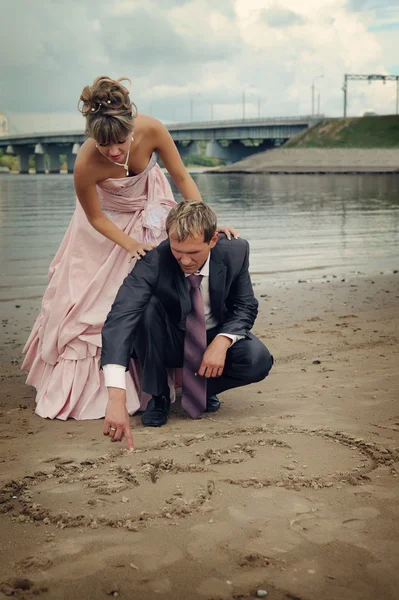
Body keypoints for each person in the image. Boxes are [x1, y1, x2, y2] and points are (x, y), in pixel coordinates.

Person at [22, 76, 236, 420]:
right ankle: (123, 387)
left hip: (154, 208)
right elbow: (95, 217)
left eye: (120, 142)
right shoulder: (85, 164)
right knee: (98, 304)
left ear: (131, 128)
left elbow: (181, 176)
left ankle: (182, 380)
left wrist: (203, 220)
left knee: (169, 294)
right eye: (105, 146)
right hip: (108, 226)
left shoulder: (153, 130)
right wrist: (131, 244)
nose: (115, 152)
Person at [101, 201, 273, 449]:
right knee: (145, 311)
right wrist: (116, 397)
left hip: (211, 335)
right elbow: (120, 318)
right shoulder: (154, 260)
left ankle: (200, 388)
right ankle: (159, 395)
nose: (184, 260)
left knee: (257, 359)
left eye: (193, 252)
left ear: (213, 240)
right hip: (167, 337)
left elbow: (245, 306)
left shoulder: (236, 251)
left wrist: (222, 341)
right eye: (177, 250)